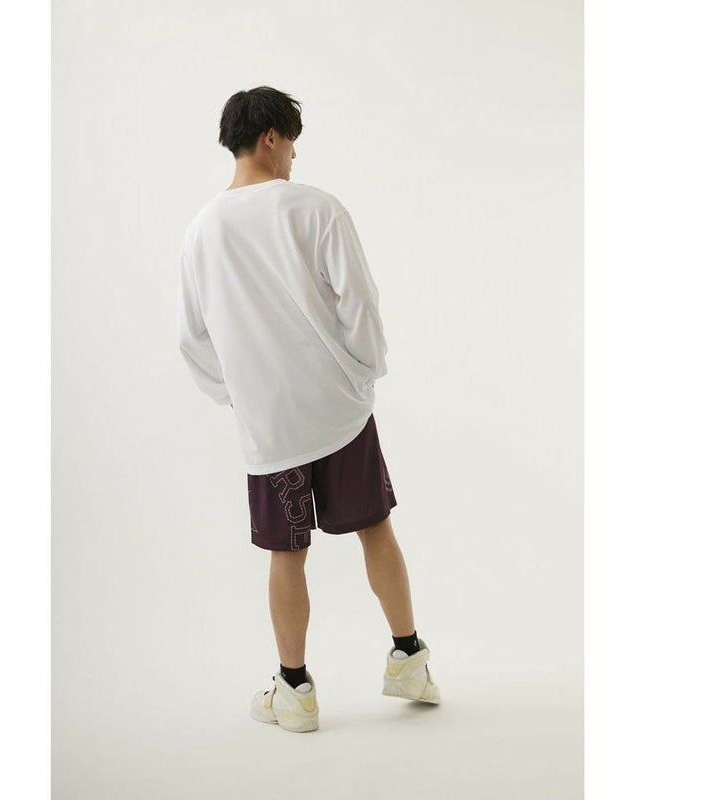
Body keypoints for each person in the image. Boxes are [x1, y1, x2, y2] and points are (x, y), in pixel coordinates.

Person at [177, 86, 440, 732]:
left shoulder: (202, 230)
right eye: (292, 143)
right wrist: (364, 371)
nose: (294, 157)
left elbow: (193, 337)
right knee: (376, 529)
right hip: (338, 412)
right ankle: (408, 658)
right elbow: (360, 302)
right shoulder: (317, 209)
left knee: (286, 552)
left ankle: (294, 690)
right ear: (270, 138)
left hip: (271, 427)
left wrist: (234, 395)